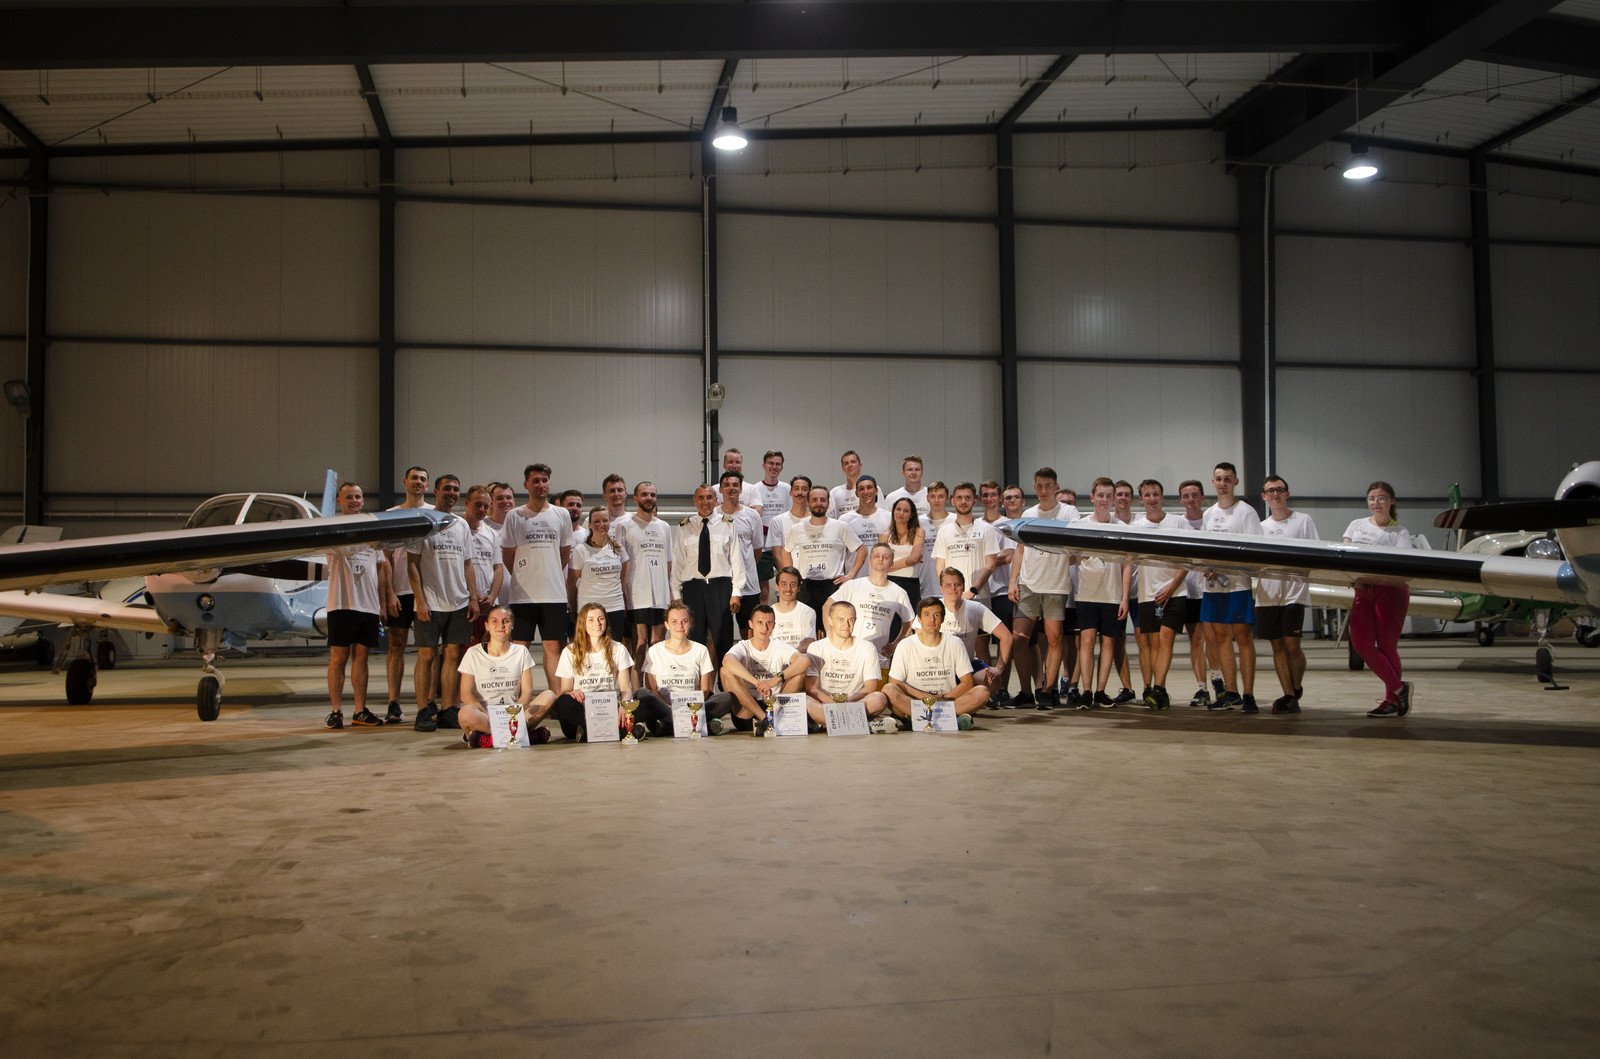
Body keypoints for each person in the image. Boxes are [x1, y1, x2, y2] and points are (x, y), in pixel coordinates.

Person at [407, 474, 479, 732]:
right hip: (430, 602)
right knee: (426, 655)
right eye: (447, 488)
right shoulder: (422, 522)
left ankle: (448, 709)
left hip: (458, 602)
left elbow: (468, 564)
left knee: (452, 655)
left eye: (455, 489)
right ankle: (423, 710)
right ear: (436, 491)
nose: (451, 493)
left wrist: (472, 597)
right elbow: (412, 565)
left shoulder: (461, 525)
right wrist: (420, 600)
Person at [1344, 481, 1415, 718]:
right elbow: (1345, 556)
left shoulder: (1399, 533)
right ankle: (1400, 689)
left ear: (1391, 501)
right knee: (1361, 644)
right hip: (1362, 591)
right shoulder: (1356, 525)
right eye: (1372, 498)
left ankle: (1391, 701)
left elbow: (1401, 568)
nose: (1376, 503)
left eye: (1382, 498)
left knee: (1386, 646)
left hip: (1390, 591)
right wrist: (1353, 578)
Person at [324, 481, 391, 729]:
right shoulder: (331, 528)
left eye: (358, 497)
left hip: (368, 606)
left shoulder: (372, 530)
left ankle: (359, 710)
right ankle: (335, 711)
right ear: (339, 501)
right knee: (339, 658)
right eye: (349, 497)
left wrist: (382, 603)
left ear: (363, 501)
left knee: (361, 658)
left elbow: (380, 568)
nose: (354, 501)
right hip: (342, 603)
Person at [503, 463, 575, 687]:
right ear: (526, 484)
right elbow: (508, 556)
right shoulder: (514, 516)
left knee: (553, 647)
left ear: (550, 483)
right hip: (522, 596)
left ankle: (557, 697)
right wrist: (525, 574)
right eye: (535, 481)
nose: (540, 484)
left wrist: (549, 571)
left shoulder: (561, 514)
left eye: (544, 480)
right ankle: (518, 696)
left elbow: (564, 553)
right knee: (520, 646)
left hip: (553, 594)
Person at [535, 602, 650, 741]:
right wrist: (570, 693)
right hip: (581, 711)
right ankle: (623, 731)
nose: (597, 623)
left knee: (645, 699)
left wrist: (624, 707)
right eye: (591, 619)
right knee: (563, 702)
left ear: (606, 621)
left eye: (601, 619)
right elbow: (565, 690)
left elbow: (626, 689)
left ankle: (589, 733)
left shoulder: (618, 649)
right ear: (583, 624)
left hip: (607, 710)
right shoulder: (570, 651)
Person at [1008, 467, 1074, 709]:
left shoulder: (1068, 512)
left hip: (1055, 586)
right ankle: (1026, 691)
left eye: (1048, 485)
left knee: (1055, 639)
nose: (1044, 490)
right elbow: (1020, 549)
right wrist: (1013, 581)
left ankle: (1047, 690)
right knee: (1018, 640)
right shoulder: (1028, 514)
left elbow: (1075, 545)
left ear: (1056, 487)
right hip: (1028, 585)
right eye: (1040, 486)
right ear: (1035, 488)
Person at [1201, 462, 1263, 712]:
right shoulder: (1209, 514)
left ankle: (1248, 694)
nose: (1223, 483)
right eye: (1219, 479)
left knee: (1243, 638)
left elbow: (1255, 550)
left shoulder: (1246, 512)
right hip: (1213, 587)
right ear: (1213, 482)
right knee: (1221, 639)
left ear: (1236, 482)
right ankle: (1232, 692)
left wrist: (1225, 564)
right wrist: (1207, 565)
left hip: (1237, 586)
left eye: (1228, 479)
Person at [1256, 476, 1319, 714]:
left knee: (1292, 645)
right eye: (1271, 491)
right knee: (1277, 646)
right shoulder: (1260, 528)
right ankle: (1289, 695)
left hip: (1294, 593)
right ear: (1264, 496)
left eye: (1280, 490)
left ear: (1287, 494)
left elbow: (1315, 552)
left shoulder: (1303, 521)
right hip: (1268, 595)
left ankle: (1296, 686)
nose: (1275, 494)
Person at [1068, 478, 1132, 709]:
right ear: (1092, 497)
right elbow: (1070, 558)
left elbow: (1127, 565)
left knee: (1108, 643)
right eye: (1100, 495)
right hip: (1086, 594)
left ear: (1113, 499)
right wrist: (1082, 554)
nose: (1104, 500)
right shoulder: (1080, 525)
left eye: (1108, 496)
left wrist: (1124, 597)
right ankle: (1086, 690)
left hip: (1112, 595)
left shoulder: (1122, 528)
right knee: (1086, 642)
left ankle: (1100, 691)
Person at [1129, 479, 1190, 710]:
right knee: (1154, 643)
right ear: (1141, 499)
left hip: (1175, 592)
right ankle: (1158, 691)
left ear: (1162, 497)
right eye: (1147, 495)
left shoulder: (1178, 522)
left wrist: (1172, 586)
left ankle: (1159, 687)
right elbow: (1129, 562)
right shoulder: (1136, 527)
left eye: (1155, 494)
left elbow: (1188, 560)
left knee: (1166, 638)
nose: (1152, 499)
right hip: (1148, 595)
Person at [670, 484, 745, 665]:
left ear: (716, 500)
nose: (705, 502)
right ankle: (697, 680)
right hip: (693, 588)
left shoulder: (727, 524)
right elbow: (678, 562)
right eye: (701, 498)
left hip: (720, 587)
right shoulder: (685, 527)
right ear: (695, 501)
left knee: (723, 639)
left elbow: (736, 559)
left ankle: (725, 680)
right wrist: (677, 595)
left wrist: (736, 592)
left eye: (709, 497)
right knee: (694, 639)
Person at [884, 597, 987, 727]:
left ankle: (918, 719)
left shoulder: (955, 643)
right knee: (888, 690)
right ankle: (951, 719)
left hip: (947, 701)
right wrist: (924, 696)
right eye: (927, 615)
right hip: (915, 701)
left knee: (982, 692)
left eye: (936, 615)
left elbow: (967, 683)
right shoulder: (905, 645)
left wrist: (943, 698)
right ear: (919, 619)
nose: (932, 620)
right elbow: (895, 682)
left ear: (943, 619)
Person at [715, 604, 809, 736]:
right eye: (760, 622)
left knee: (800, 672)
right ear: (751, 624)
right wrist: (756, 683)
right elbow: (727, 660)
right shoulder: (743, 646)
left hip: (775, 706)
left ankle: (774, 718)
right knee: (726, 671)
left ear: (774, 625)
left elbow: (804, 661)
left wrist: (774, 680)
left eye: (768, 623)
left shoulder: (779, 646)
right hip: (748, 710)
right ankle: (765, 720)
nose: (764, 628)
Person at [382, 464, 429, 724]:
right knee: (396, 644)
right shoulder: (391, 515)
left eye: (422, 479)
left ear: (427, 485)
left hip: (426, 591)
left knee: (428, 649)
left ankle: (429, 702)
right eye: (414, 478)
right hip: (400, 590)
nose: (418, 482)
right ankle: (394, 702)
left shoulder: (434, 513)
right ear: (404, 482)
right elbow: (385, 558)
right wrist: (389, 593)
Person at [457, 606, 543, 749]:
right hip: (485, 716)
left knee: (549, 696)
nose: (500, 626)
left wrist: (514, 715)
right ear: (486, 626)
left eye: (505, 621)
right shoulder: (473, 653)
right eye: (494, 621)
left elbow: (527, 692)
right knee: (465, 713)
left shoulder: (521, 651)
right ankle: (524, 736)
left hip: (514, 713)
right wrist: (493, 718)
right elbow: (465, 694)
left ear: (512, 624)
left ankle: (488, 739)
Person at [639, 600, 724, 735]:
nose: (680, 626)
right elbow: (652, 690)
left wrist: (688, 708)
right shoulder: (654, 651)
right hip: (663, 708)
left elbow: (704, 690)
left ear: (690, 623)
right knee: (641, 694)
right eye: (674, 622)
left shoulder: (701, 650)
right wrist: (669, 708)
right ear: (666, 625)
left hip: (692, 708)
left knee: (726, 697)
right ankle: (701, 724)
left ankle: (668, 727)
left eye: (684, 621)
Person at [804, 599, 891, 729]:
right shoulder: (816, 647)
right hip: (825, 705)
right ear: (830, 620)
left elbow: (870, 687)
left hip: (854, 704)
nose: (846, 624)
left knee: (879, 698)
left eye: (851, 620)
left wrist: (847, 702)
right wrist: (833, 703)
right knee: (805, 701)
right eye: (841, 619)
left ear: (855, 621)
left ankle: (831, 722)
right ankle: (855, 722)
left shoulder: (867, 647)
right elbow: (811, 689)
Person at [780, 486, 865, 617]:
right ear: (808, 503)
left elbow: (862, 550)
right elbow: (785, 551)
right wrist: (792, 576)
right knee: (807, 623)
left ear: (828, 503)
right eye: (814, 500)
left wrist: (850, 575)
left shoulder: (840, 526)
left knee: (832, 624)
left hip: (833, 584)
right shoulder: (797, 529)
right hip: (806, 584)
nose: (818, 503)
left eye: (822, 500)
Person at [828, 542, 915, 671]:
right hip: (850, 654)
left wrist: (896, 644)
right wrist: (830, 634)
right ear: (869, 561)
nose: (881, 559)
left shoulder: (899, 592)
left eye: (885, 557)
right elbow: (828, 604)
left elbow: (910, 620)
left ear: (891, 564)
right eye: (877, 556)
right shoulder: (853, 585)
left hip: (879, 658)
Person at [615, 481, 673, 667]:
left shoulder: (664, 527)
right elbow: (620, 563)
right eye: (645, 494)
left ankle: (654, 684)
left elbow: (668, 562)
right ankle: (635, 685)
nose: (649, 498)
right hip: (637, 596)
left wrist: (670, 593)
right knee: (639, 646)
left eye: (652, 495)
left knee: (658, 645)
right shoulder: (624, 526)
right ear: (635, 498)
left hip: (660, 597)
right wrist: (623, 593)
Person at [936, 568, 1012, 695]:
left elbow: (1007, 636)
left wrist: (999, 668)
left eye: (957, 584)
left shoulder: (975, 608)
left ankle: (965, 692)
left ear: (963, 587)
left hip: (967, 665)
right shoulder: (932, 608)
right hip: (938, 667)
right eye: (948, 585)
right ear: (941, 588)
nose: (953, 588)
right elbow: (918, 639)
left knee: (993, 681)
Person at [984, 484, 1025, 706]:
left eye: (993, 494)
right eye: (985, 495)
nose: (989, 498)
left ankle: (1002, 688)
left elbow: (1009, 555)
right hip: (983, 591)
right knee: (981, 645)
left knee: (1005, 641)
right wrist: (992, 558)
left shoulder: (1006, 524)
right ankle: (986, 687)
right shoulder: (978, 524)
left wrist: (986, 560)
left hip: (1002, 591)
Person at [1177, 479, 1216, 706]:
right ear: (1181, 500)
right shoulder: (1177, 524)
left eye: (1194, 495)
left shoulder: (1211, 520)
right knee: (1196, 640)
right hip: (1189, 592)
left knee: (1213, 639)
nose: (1190, 499)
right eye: (1186, 496)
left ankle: (1218, 680)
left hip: (1212, 590)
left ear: (1202, 497)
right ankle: (1202, 688)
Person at [568, 506, 632, 643]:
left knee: (613, 649)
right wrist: (573, 610)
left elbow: (622, 582)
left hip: (615, 607)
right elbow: (572, 585)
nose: (601, 525)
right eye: (596, 521)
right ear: (589, 525)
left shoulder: (618, 549)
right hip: (589, 609)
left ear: (610, 523)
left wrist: (625, 606)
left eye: (605, 520)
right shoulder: (580, 550)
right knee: (590, 649)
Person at [718, 471, 765, 638]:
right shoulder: (714, 516)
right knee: (720, 631)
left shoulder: (752, 516)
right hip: (721, 583)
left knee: (749, 630)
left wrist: (744, 569)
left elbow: (757, 551)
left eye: (735, 485)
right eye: (727, 485)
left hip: (748, 585)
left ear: (741, 489)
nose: (731, 488)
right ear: (720, 489)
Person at [932, 482, 998, 602]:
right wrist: (948, 588)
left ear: (974, 501)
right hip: (953, 597)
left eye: (967, 498)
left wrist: (973, 590)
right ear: (953, 501)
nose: (963, 502)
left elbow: (991, 564)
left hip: (980, 596)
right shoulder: (944, 531)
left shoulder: (986, 529)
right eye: (959, 498)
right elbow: (940, 566)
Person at [462, 485, 507, 646]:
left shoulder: (491, 534)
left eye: (486, 506)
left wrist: (492, 596)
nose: (482, 509)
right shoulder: (457, 529)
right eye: (478, 504)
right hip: (463, 602)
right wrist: (472, 596)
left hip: (487, 604)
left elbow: (498, 568)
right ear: (467, 503)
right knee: (460, 651)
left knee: (487, 649)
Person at [752, 451, 790, 600]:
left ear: (782, 467)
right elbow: (753, 518)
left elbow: (791, 515)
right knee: (763, 591)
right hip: (763, 546)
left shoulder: (787, 489)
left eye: (777, 464)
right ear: (764, 465)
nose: (774, 467)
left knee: (787, 584)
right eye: (771, 463)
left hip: (783, 545)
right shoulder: (755, 489)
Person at [840, 476, 890, 577]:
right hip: (855, 579)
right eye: (861, 489)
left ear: (876, 491)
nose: (866, 491)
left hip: (881, 578)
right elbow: (841, 553)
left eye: (869, 487)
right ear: (856, 493)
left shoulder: (889, 517)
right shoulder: (845, 520)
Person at [883, 497, 926, 605]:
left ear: (911, 514)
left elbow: (914, 558)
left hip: (910, 583)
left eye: (906, 511)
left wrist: (888, 566)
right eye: (898, 509)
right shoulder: (884, 536)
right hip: (888, 583)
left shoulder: (919, 532)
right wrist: (908, 560)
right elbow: (880, 564)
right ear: (893, 511)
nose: (901, 513)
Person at [918, 482, 953, 602]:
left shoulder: (955, 520)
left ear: (948, 498)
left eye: (941, 496)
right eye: (933, 496)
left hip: (951, 586)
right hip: (925, 585)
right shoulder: (918, 522)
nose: (936, 500)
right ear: (927, 498)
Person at [770, 566, 818, 653]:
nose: (788, 589)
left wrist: (791, 656)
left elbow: (809, 643)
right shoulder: (768, 612)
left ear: (798, 588)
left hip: (799, 658)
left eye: (793, 585)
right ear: (777, 586)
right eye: (784, 584)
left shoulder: (807, 612)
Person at [486, 481, 517, 608]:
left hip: (517, 596)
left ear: (514, 501)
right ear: (491, 502)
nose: (505, 501)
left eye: (508, 498)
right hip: (489, 598)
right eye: (500, 498)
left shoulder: (521, 526)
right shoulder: (482, 526)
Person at [883, 455, 930, 519]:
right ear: (903, 473)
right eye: (910, 469)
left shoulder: (931, 496)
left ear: (922, 472)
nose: (913, 473)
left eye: (917, 469)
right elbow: (888, 521)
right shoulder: (892, 497)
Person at [828, 449, 864, 518]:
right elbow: (829, 518)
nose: (850, 465)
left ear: (860, 465)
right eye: (846, 463)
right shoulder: (834, 492)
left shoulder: (871, 489)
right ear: (843, 469)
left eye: (853, 462)